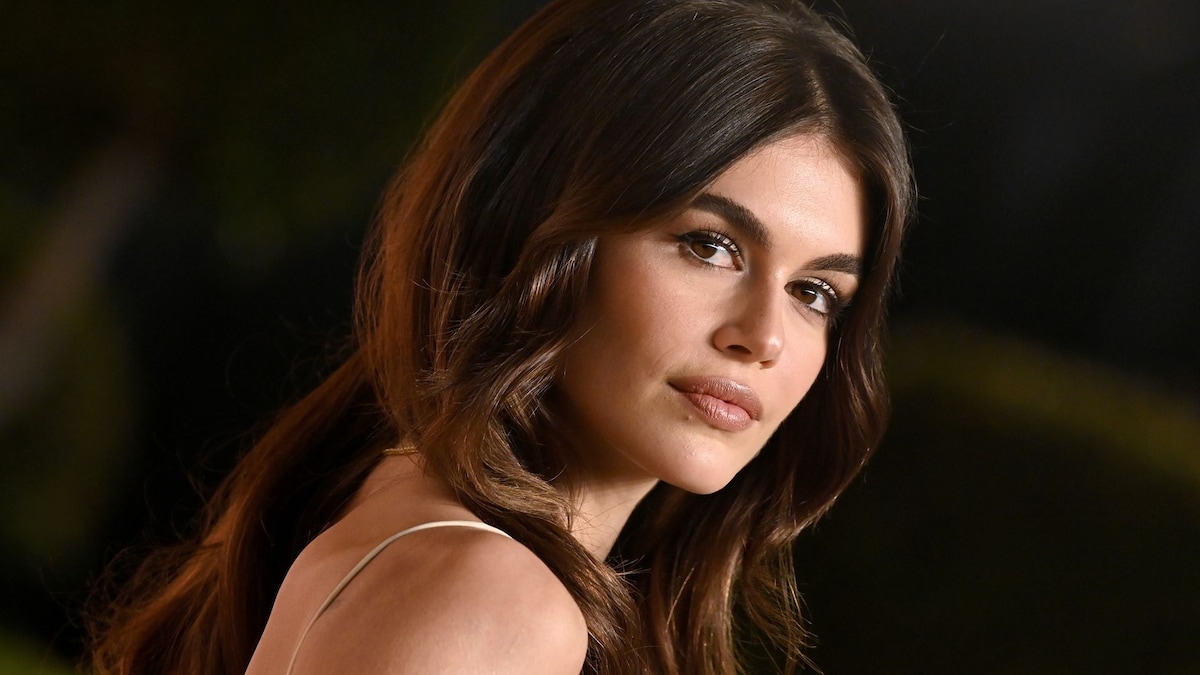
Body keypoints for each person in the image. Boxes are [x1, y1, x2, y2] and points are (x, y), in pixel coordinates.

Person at [88, 0, 913, 673]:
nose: (763, 336)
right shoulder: (497, 600)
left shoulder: (397, 503)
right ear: (541, 229)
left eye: (815, 293)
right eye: (709, 245)